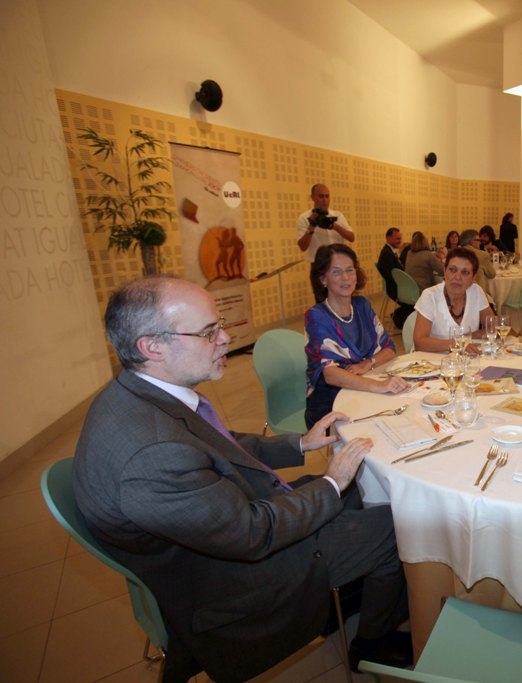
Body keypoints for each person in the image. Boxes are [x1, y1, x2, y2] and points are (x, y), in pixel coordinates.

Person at [73, 276, 411, 682]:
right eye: (208, 331)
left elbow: (220, 443)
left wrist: (301, 444)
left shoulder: (142, 394)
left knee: (363, 489)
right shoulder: (153, 453)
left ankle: (357, 587)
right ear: (152, 346)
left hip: (226, 522)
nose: (225, 340)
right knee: (397, 525)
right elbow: (253, 534)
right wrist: (329, 483)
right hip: (231, 580)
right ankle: (371, 643)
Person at [306, 244, 409, 427]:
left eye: (349, 270)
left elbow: (389, 350)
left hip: (366, 387)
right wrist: (378, 386)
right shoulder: (317, 316)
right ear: (323, 279)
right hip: (332, 399)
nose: (345, 278)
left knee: (405, 410)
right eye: (336, 272)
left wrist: (368, 363)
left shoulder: (362, 305)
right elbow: (330, 374)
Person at [413, 247, 496, 352]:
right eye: (452, 270)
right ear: (444, 270)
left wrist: (470, 336)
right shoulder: (430, 296)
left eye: (465, 272)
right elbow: (419, 343)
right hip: (432, 362)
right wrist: (459, 343)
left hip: (467, 361)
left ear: (474, 277)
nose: (457, 277)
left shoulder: (476, 292)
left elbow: (494, 328)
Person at [297, 184, 356, 298]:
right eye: (321, 196)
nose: (325, 200)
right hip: (319, 266)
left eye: (327, 196)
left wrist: (334, 226)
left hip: (340, 265)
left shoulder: (337, 215)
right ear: (313, 197)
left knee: (343, 298)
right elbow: (302, 247)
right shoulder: (304, 218)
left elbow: (351, 237)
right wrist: (312, 226)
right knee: (322, 300)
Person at [376, 227, 413, 327]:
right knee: (419, 302)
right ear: (388, 238)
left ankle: (398, 314)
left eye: (400, 238)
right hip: (395, 289)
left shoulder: (390, 251)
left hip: (395, 287)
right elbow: (393, 277)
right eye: (397, 238)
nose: (400, 241)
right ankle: (398, 315)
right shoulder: (387, 254)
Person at [459, 228, 497, 297]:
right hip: (477, 297)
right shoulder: (483, 255)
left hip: (458, 295)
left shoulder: (455, 253)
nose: (480, 242)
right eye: (478, 240)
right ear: (471, 241)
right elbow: (492, 274)